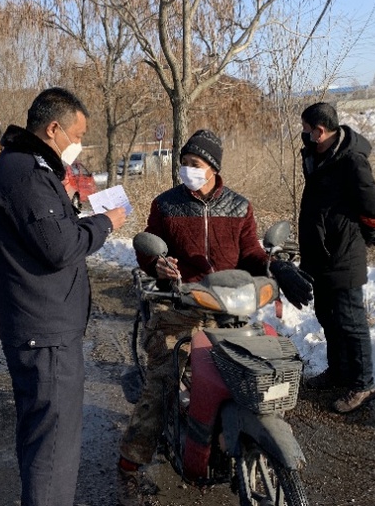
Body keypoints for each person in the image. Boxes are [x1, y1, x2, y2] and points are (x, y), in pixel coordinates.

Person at [117, 129, 311, 504]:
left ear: (213, 168)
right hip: (180, 307)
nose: (187, 170)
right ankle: (128, 465)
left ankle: (244, 437)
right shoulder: (166, 205)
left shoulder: (239, 207)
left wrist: (277, 267)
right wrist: (159, 263)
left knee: (258, 373)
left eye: (196, 164)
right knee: (163, 382)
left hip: (229, 310)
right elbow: (147, 249)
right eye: (184, 163)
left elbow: (252, 255)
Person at [0, 87, 126, 506]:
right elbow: (60, 248)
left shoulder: (28, 168)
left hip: (40, 325)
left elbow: (48, 233)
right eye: (77, 133)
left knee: (41, 434)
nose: (78, 143)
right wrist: (105, 224)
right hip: (44, 331)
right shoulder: (26, 173)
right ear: (54, 127)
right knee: (54, 447)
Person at [297, 101, 375, 414]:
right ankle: (337, 372)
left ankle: (364, 384)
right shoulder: (315, 156)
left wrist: (357, 232)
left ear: (320, 131)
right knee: (326, 315)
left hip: (344, 253)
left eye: (306, 131)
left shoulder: (351, 161)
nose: (303, 136)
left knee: (351, 321)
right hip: (319, 253)